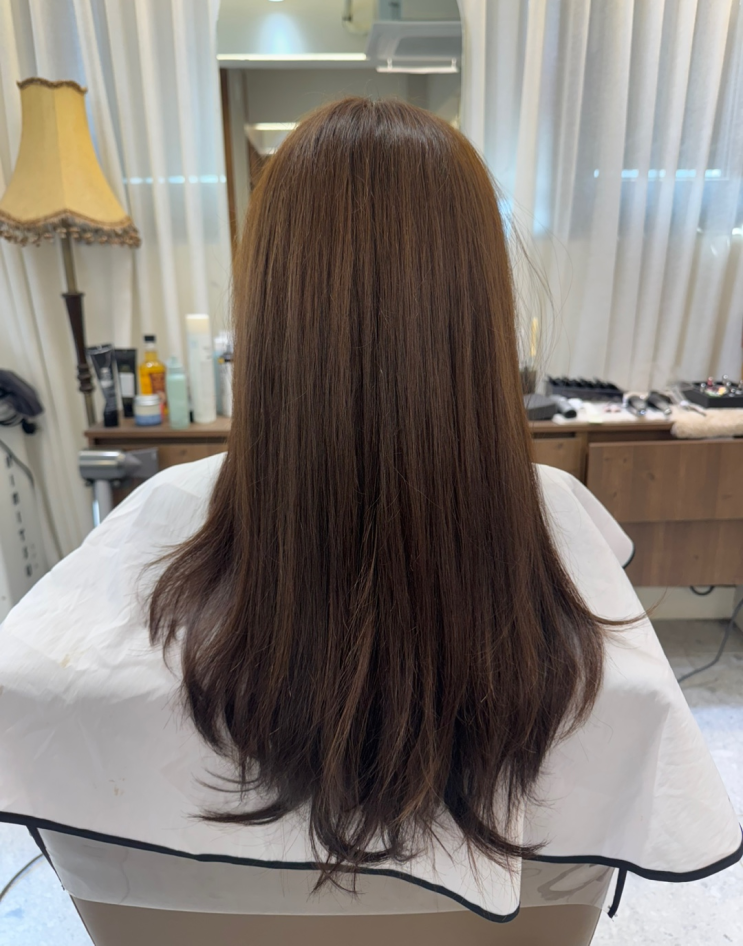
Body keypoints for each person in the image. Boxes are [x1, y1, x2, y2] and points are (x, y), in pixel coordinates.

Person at [0, 99, 740, 946]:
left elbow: (35, 694)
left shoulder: (163, 507)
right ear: (477, 313)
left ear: (270, 307)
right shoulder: (553, 517)